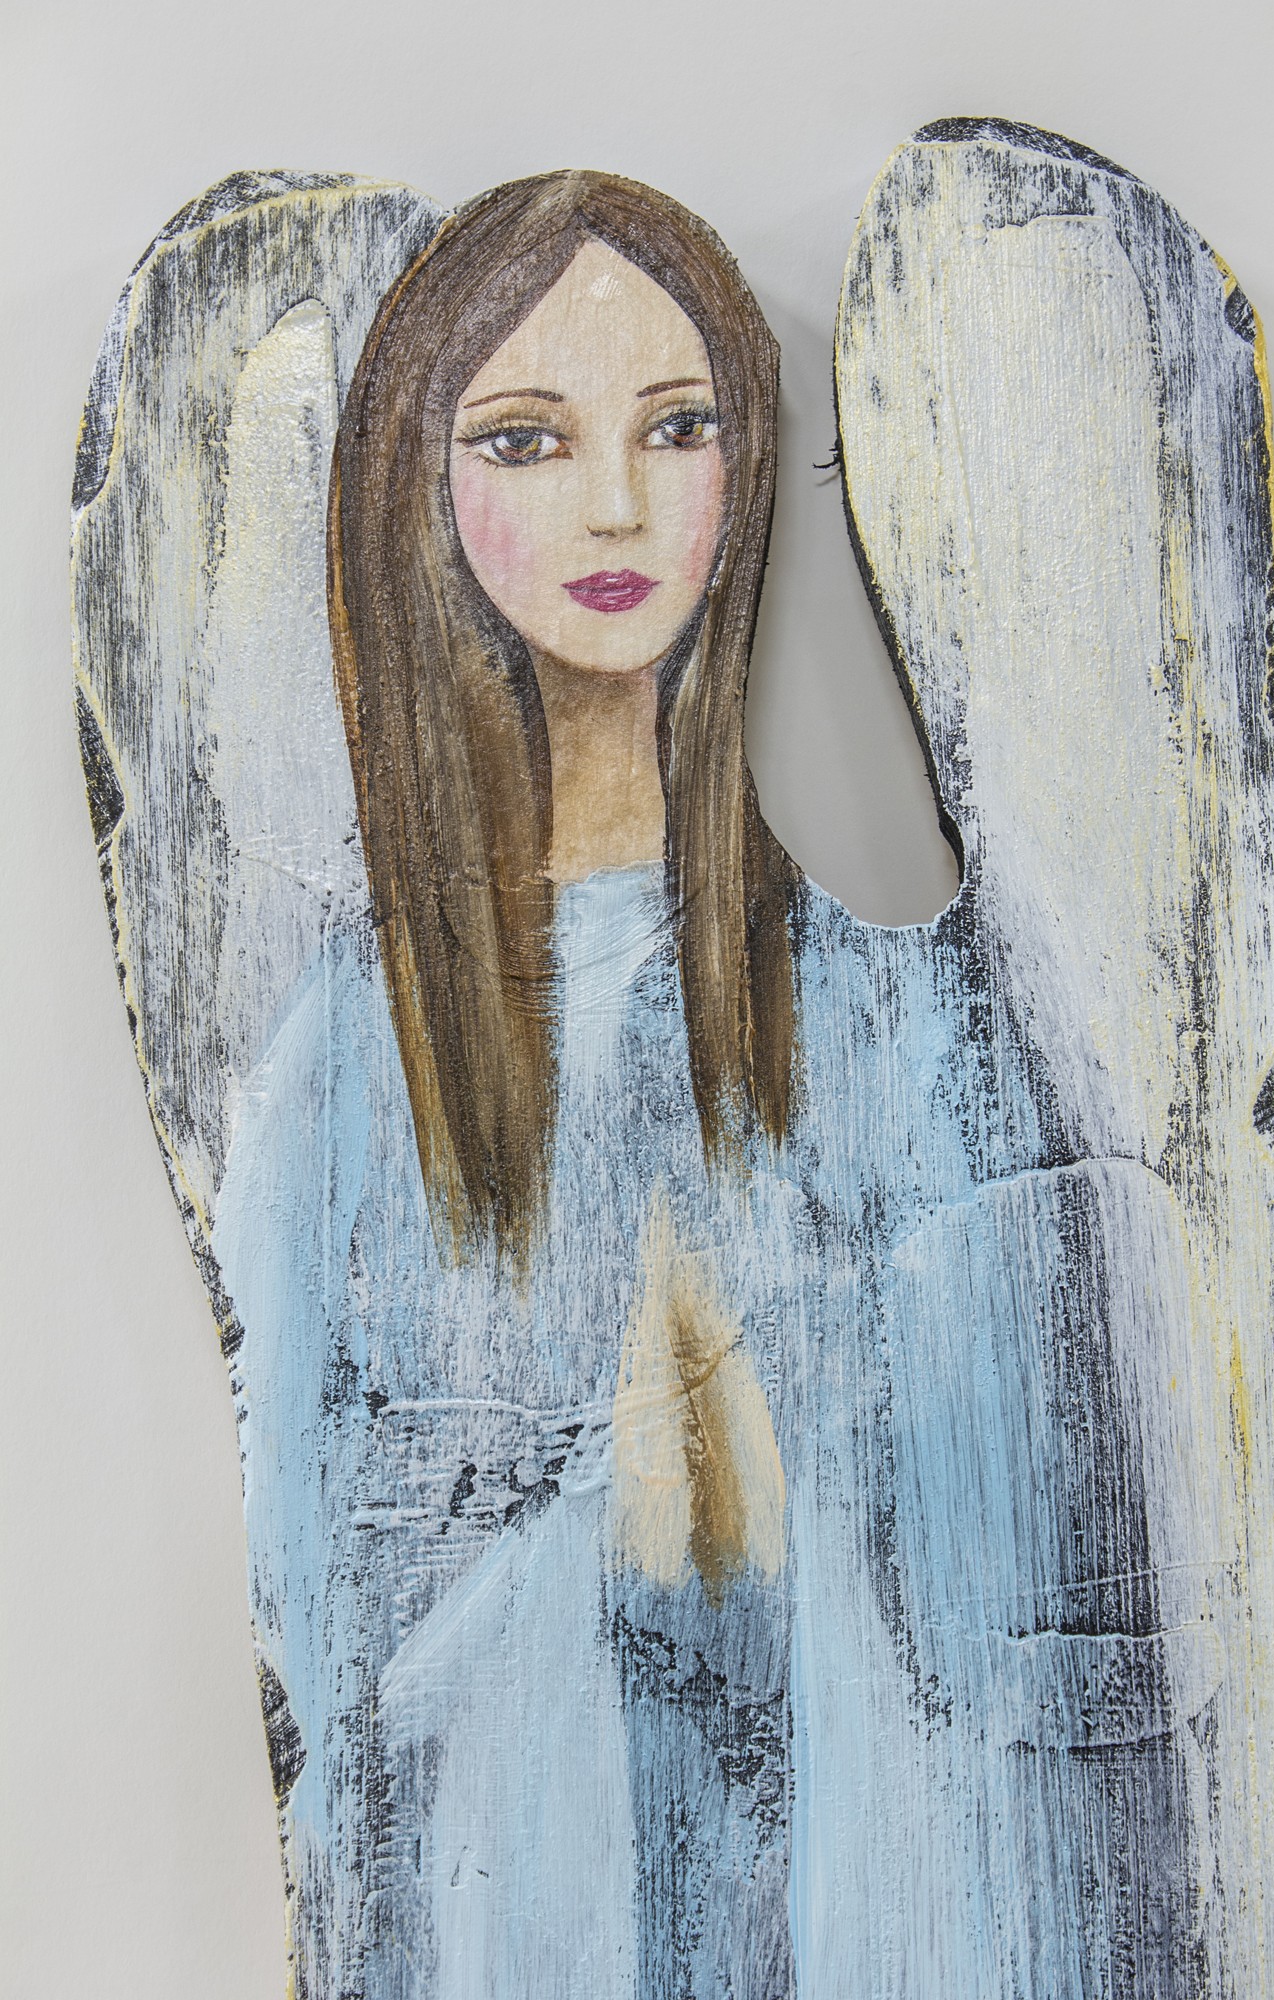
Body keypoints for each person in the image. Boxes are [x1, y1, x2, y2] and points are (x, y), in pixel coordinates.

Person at [212, 169, 1212, 1999]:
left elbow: (1064, 1624)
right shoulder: (344, 1075)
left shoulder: (902, 1018)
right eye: (524, 440)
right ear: (416, 489)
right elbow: (325, 1670)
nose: (614, 505)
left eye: (676, 428)